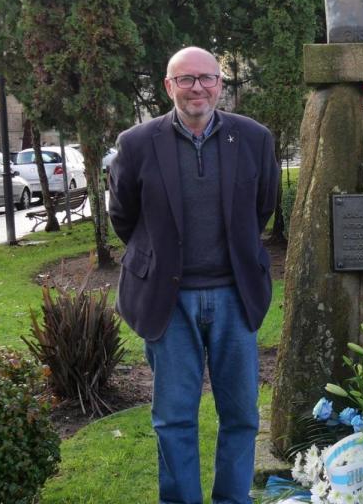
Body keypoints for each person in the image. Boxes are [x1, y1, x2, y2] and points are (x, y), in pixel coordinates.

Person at [109, 46, 279, 504]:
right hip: (169, 301)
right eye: (186, 79)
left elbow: (263, 206)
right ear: (169, 86)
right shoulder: (138, 143)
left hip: (234, 296)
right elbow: (124, 217)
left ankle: (231, 499)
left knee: (242, 414)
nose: (197, 87)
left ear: (220, 84)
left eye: (206, 78)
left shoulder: (255, 139)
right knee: (174, 417)